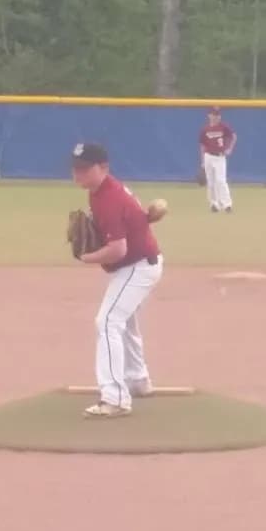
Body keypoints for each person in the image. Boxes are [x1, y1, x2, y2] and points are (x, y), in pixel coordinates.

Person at [71, 142, 163, 416]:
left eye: (85, 169)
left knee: (108, 321)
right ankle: (138, 380)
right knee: (126, 321)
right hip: (139, 263)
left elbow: (117, 250)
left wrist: (86, 257)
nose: (78, 174)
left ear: (104, 168)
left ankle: (115, 398)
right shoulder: (100, 191)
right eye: (75, 168)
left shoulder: (109, 198)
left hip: (137, 267)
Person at [198, 105, 237, 212]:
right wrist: (202, 162)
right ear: (209, 115)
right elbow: (202, 146)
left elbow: (234, 136)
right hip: (208, 157)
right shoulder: (205, 129)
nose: (216, 117)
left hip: (220, 157)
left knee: (221, 181)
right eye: (214, 114)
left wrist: (230, 149)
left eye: (218, 115)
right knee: (210, 182)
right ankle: (214, 204)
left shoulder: (223, 127)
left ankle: (227, 205)